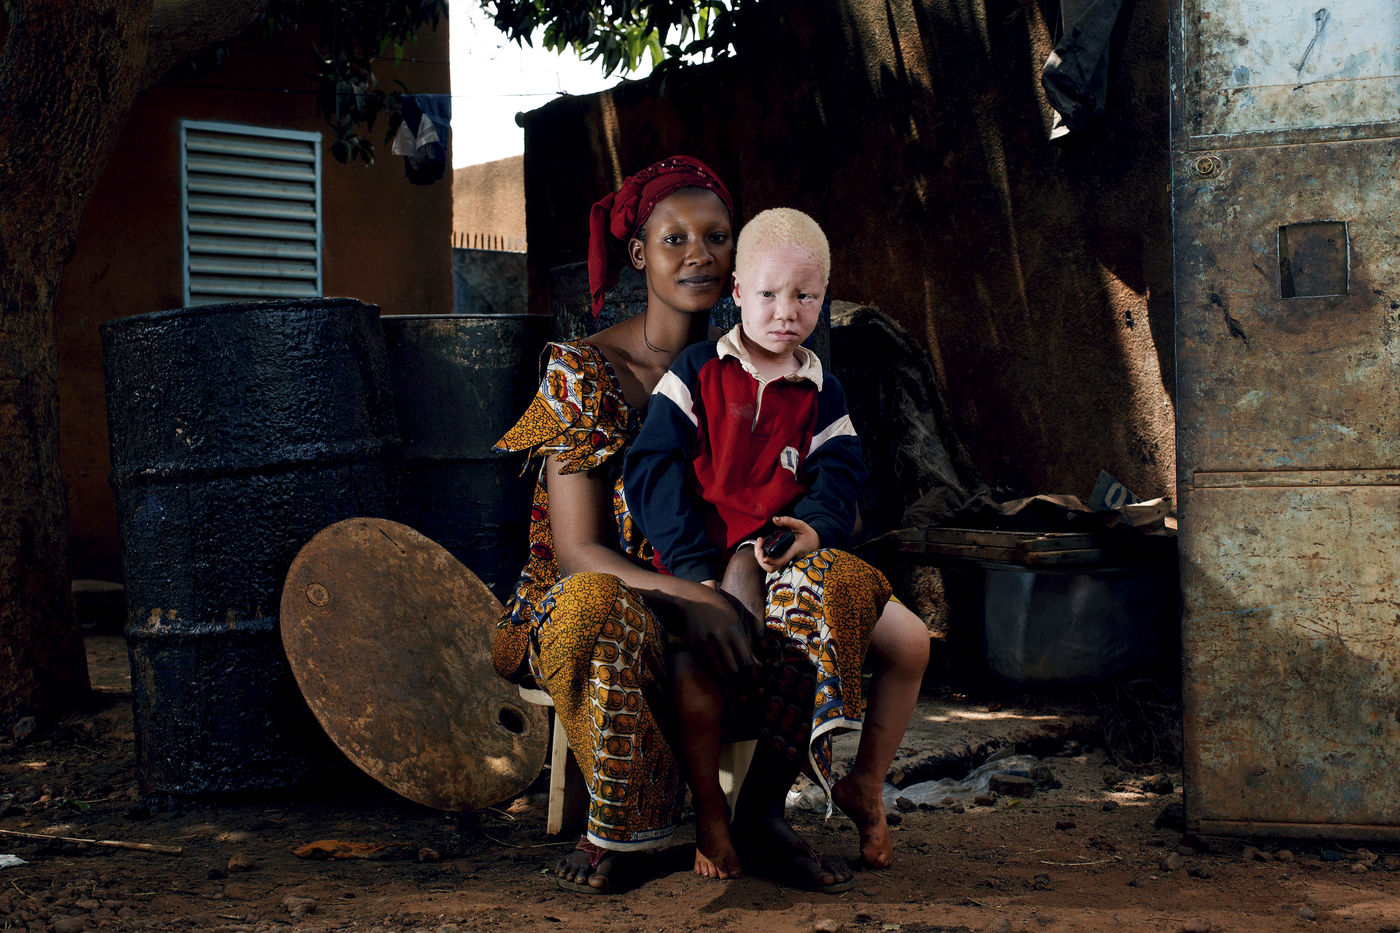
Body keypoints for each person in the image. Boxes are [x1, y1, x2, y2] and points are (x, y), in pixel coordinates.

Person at [491, 156, 928, 894]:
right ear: (639, 254)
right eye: (674, 239)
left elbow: (829, 483)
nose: (698, 253)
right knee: (591, 606)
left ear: (737, 259)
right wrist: (696, 593)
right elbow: (576, 550)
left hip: (736, 573)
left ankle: (765, 815)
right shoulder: (582, 371)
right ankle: (625, 828)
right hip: (624, 588)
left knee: (839, 581)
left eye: (717, 237)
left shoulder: (774, 359)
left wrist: (759, 558)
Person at [622, 207, 907, 881]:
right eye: (769, 294)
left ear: (824, 298)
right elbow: (652, 470)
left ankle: (798, 802)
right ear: (737, 292)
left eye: (805, 297)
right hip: (697, 573)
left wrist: (814, 528)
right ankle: (711, 815)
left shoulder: (822, 392)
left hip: (782, 568)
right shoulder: (698, 371)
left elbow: (840, 478)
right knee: (696, 679)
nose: (786, 312)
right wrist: (695, 571)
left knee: (905, 644)